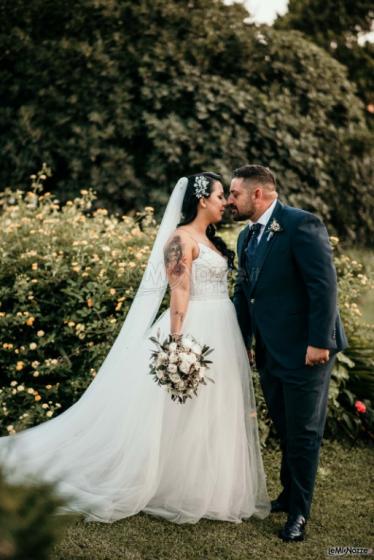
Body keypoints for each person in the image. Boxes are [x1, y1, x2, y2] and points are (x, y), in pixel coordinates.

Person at [0, 172, 269, 525]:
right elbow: (180, 291)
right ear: (203, 199)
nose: (226, 203)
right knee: (181, 407)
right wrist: (176, 343)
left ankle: (207, 483)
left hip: (223, 327)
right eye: (221, 196)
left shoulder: (211, 240)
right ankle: (171, 482)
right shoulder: (180, 239)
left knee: (215, 406)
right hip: (194, 328)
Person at [228, 164, 348, 542]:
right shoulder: (246, 237)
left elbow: (323, 285)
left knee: (304, 432)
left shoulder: (301, 224)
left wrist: (320, 341)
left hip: (306, 351)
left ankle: (299, 514)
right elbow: (246, 294)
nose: (230, 201)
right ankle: (287, 494)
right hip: (269, 350)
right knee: (284, 424)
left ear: (257, 194)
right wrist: (240, 340)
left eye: (234, 194)